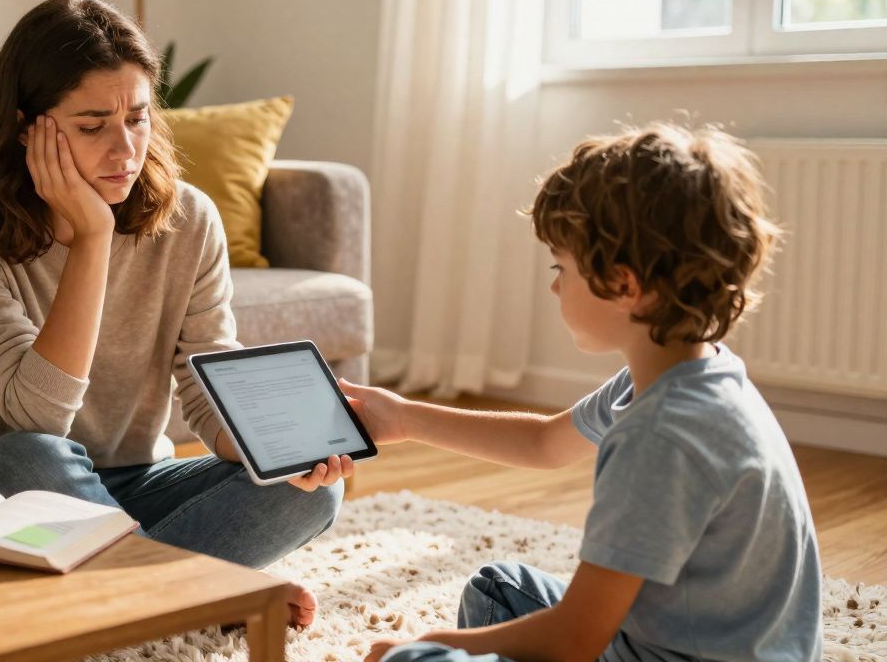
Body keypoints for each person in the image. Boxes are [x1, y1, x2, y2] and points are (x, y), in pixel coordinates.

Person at [0, 0, 352, 626]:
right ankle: (196, 589)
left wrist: (272, 443)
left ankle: (136, 590)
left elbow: (206, 392)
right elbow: (39, 413)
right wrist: (92, 239)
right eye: (92, 126)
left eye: (137, 120)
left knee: (313, 492)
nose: (124, 150)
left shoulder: (190, 217)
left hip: (133, 482)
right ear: (25, 127)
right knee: (29, 452)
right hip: (1, 487)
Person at [345, 123, 821, 661]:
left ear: (624, 285)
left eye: (560, 267)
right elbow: (546, 443)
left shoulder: (661, 437)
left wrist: (428, 642)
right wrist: (405, 418)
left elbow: (574, 639)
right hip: (697, 644)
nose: (554, 285)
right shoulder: (693, 373)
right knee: (497, 590)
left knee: (410, 660)